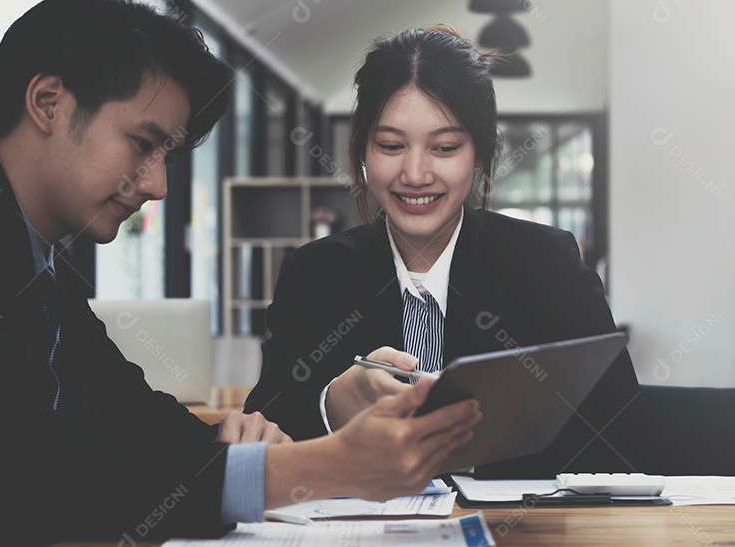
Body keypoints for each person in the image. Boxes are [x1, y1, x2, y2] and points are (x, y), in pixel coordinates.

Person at [0, 0, 479, 546]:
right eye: (143, 144)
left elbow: (141, 421)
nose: (158, 185)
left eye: (167, 155)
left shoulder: (39, 271)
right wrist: (323, 464)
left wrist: (243, 447)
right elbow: (25, 476)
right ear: (48, 103)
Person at [245, 26, 660, 478]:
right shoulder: (314, 273)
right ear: (363, 149)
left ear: (479, 152)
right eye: (390, 146)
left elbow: (625, 440)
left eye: (444, 148)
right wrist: (335, 403)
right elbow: (263, 428)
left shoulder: (548, 264)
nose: (416, 174)